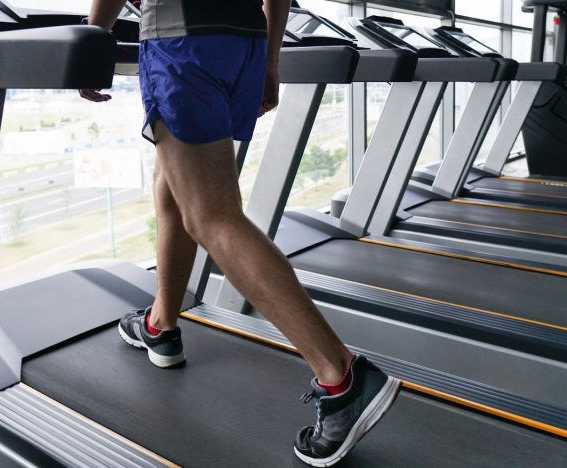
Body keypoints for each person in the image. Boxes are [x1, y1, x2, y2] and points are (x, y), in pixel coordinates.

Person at [81, 1, 400, 465]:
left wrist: (94, 37)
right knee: (175, 183)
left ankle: (342, 377)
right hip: (245, 40)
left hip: (180, 38)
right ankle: (161, 323)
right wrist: (270, 61)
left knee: (212, 216)